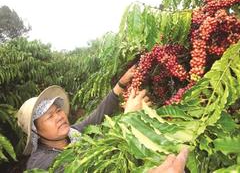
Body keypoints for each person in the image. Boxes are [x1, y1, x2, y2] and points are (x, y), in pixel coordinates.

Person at [17, 65, 188, 172]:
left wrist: (120, 85)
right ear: (36, 131)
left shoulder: (73, 133)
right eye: (49, 116)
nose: (59, 117)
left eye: (58, 110)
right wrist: (128, 118)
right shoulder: (40, 164)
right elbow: (87, 164)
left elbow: (97, 115)